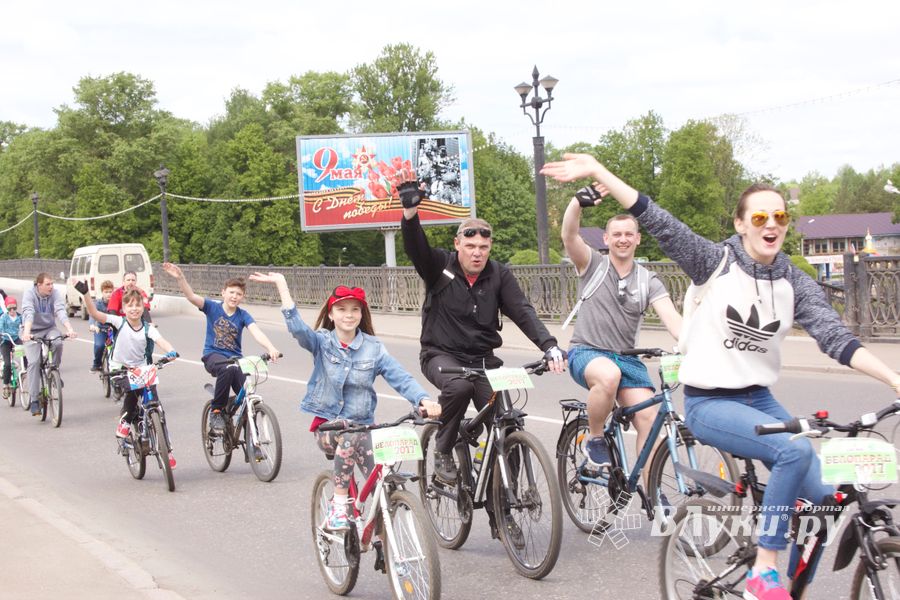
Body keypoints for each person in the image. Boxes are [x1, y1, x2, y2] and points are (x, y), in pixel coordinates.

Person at [542, 153, 900, 600]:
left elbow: (836, 339)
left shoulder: (794, 281)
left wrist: (894, 379)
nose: (772, 224)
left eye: (781, 216)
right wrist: (598, 172)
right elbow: (655, 217)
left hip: (760, 399)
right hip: (710, 403)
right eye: (760, 217)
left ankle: (786, 584)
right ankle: (764, 569)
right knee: (791, 454)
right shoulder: (714, 262)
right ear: (741, 224)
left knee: (823, 498)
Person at [396, 171, 566, 487]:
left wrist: (549, 345)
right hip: (441, 355)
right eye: (471, 245)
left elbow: (524, 313)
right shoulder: (440, 267)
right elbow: (416, 248)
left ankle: (503, 506)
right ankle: (443, 450)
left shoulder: (499, 275)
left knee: (508, 425)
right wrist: (410, 214)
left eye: (484, 247)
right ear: (457, 244)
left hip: (484, 362)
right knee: (458, 388)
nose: (477, 253)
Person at [249, 272, 441, 530]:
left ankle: (393, 552)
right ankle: (339, 505)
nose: (348, 314)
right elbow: (297, 329)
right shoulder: (321, 342)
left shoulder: (373, 347)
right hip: (328, 429)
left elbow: (401, 377)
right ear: (331, 314)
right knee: (348, 437)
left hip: (364, 428)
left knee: (386, 484)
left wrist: (423, 399)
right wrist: (282, 285)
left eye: (354, 309)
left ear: (362, 314)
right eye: (341, 309)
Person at [561, 191, 681, 478]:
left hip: (627, 359)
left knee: (650, 421)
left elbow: (672, 319)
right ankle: (595, 437)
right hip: (587, 352)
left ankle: (652, 494)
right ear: (606, 239)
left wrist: (692, 344)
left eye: (629, 234)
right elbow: (569, 235)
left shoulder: (648, 279)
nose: (623, 239)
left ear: (638, 239)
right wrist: (577, 203)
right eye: (616, 234)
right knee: (608, 375)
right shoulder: (592, 265)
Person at [162, 263, 280, 435]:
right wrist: (180, 277)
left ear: (242, 297)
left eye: (239, 294)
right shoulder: (212, 307)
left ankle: (251, 438)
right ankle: (217, 411)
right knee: (227, 368)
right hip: (213, 356)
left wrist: (271, 348)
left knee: (247, 394)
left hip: (235, 359)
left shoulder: (243, 315)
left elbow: (256, 332)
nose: (234, 296)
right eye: (231, 292)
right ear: (223, 292)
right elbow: (191, 296)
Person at [78, 283, 178, 466]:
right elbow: (95, 314)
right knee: (133, 391)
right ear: (124, 309)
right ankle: (124, 422)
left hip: (143, 369)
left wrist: (171, 352)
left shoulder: (148, 328)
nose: (134, 309)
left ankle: (167, 450)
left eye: (137, 305)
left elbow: (162, 341)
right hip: (121, 369)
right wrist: (86, 294)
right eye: (130, 305)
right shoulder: (119, 322)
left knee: (158, 408)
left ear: (143, 307)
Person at [21, 273, 77, 415]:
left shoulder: (55, 294)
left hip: (49, 329)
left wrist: (69, 329)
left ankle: (54, 370)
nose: (51, 287)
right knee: (34, 362)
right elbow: (28, 313)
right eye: (48, 284)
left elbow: (60, 311)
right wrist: (27, 333)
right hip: (32, 331)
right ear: (39, 285)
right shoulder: (29, 294)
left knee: (58, 342)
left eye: (52, 284)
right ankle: (34, 400)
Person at [89, 280, 115, 373]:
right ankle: (97, 364)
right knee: (99, 346)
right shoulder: (98, 303)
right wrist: (92, 325)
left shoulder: (116, 302)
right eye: (106, 292)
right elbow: (93, 314)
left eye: (110, 291)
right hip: (101, 329)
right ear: (102, 292)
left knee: (117, 348)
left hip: (113, 330)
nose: (108, 294)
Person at [1, 296, 24, 399]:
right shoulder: (3, 317)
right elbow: (0, 327)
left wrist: (25, 331)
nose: (12, 310)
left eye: (14, 308)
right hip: (6, 341)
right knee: (7, 363)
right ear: (6, 308)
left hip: (16, 340)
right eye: (10, 308)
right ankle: (6, 384)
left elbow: (24, 326)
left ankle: (24, 372)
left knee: (23, 357)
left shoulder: (20, 317)